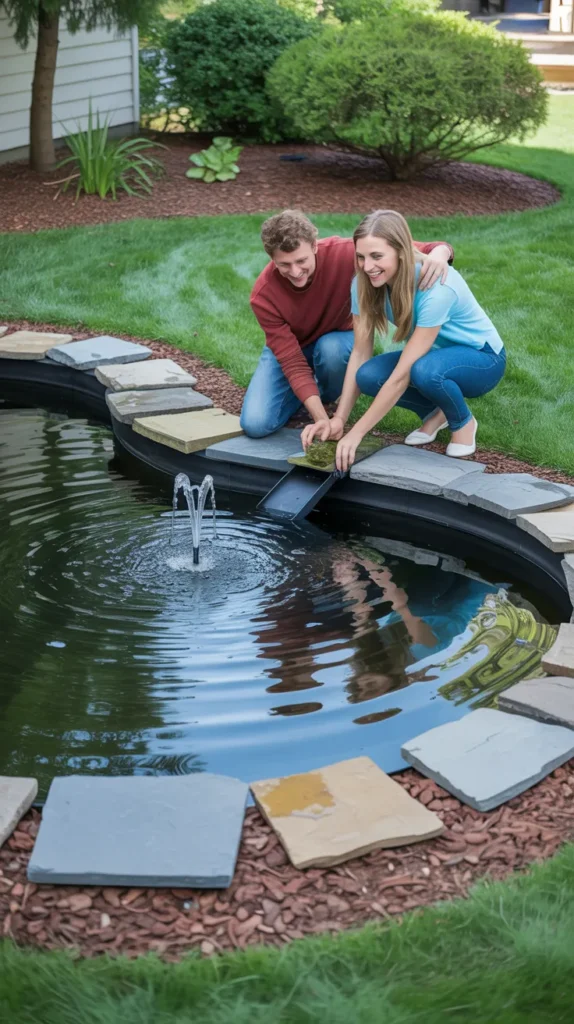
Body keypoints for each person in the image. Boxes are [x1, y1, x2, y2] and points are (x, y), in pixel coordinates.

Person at [302, 209, 506, 470]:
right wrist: (340, 418)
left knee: (424, 371)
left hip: (483, 359)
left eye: (377, 256)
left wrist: (357, 433)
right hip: (435, 355)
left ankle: (463, 422)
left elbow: (402, 376)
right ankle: (435, 413)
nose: (367, 267)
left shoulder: (436, 287)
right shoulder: (362, 284)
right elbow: (360, 353)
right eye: (361, 257)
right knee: (368, 375)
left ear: (401, 251)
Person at [240, 210, 454, 438]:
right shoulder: (264, 296)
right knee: (256, 424)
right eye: (284, 264)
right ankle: (312, 396)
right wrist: (322, 419)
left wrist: (441, 254)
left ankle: (323, 392)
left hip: (338, 342)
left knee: (331, 350)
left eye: (301, 261)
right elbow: (291, 361)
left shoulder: (346, 253)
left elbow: (423, 247)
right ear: (272, 258)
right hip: (294, 347)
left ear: (314, 246)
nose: (295, 271)